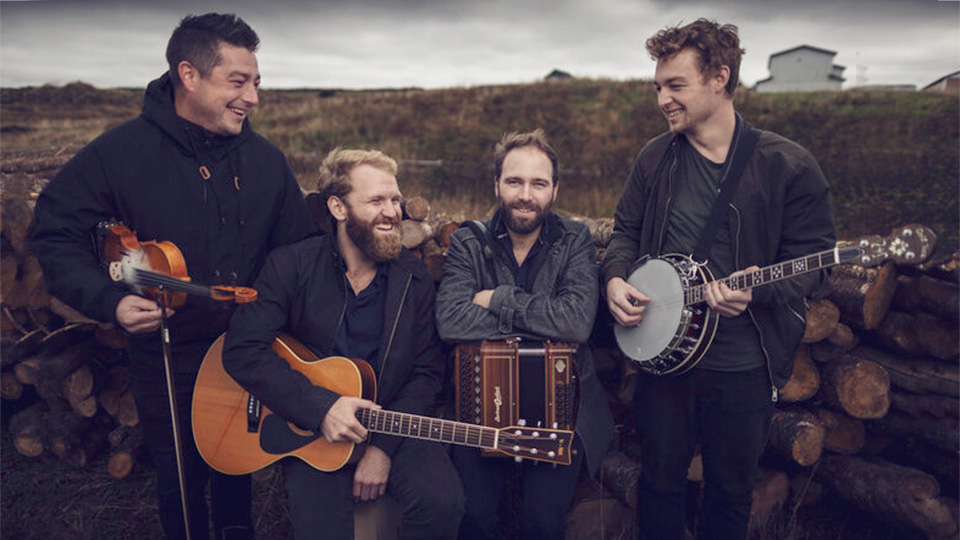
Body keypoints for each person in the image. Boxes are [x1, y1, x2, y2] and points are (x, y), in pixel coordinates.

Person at [30, 13, 315, 540]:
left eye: (256, 83)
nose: (252, 96)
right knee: (180, 479)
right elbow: (53, 231)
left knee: (237, 469)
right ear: (189, 75)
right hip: (166, 350)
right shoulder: (120, 152)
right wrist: (107, 301)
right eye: (238, 81)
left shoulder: (267, 161)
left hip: (245, 348)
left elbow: (296, 252)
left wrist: (270, 323)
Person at [601, 19, 836, 540]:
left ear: (719, 78)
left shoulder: (788, 165)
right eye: (658, 86)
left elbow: (817, 262)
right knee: (659, 484)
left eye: (675, 85)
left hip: (742, 365)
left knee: (729, 494)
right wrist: (616, 279)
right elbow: (626, 233)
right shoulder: (655, 157)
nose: (662, 98)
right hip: (662, 359)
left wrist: (760, 289)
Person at [221, 148, 464, 540]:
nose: (393, 212)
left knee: (442, 503)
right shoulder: (290, 266)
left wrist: (381, 448)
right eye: (376, 201)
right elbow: (242, 349)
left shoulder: (413, 276)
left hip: (392, 421)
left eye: (395, 200)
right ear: (338, 207)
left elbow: (426, 372)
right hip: (311, 428)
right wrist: (321, 408)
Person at [435, 129, 614, 540]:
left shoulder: (574, 240)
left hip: (563, 411)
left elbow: (576, 323)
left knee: (541, 523)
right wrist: (540, 322)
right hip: (480, 407)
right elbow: (451, 322)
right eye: (514, 181)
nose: (525, 195)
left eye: (538, 183)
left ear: (554, 189)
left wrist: (498, 297)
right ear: (496, 184)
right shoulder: (468, 241)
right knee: (475, 518)